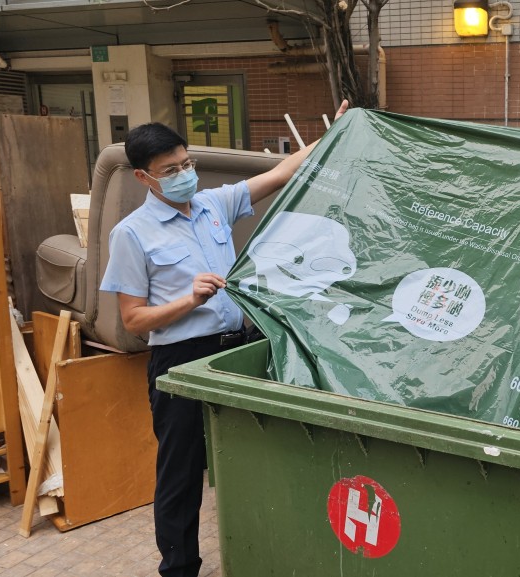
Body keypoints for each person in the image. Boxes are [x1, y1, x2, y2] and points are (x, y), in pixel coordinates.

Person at [99, 100, 348, 577]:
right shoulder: (131, 234)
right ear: (143, 178)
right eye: (170, 170)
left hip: (237, 348)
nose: (184, 174)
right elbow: (133, 320)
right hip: (180, 361)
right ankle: (179, 567)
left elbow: (279, 174)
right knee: (182, 471)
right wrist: (188, 300)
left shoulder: (213, 204)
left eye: (187, 163)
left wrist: (335, 133)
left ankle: (262, 549)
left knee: (253, 457)